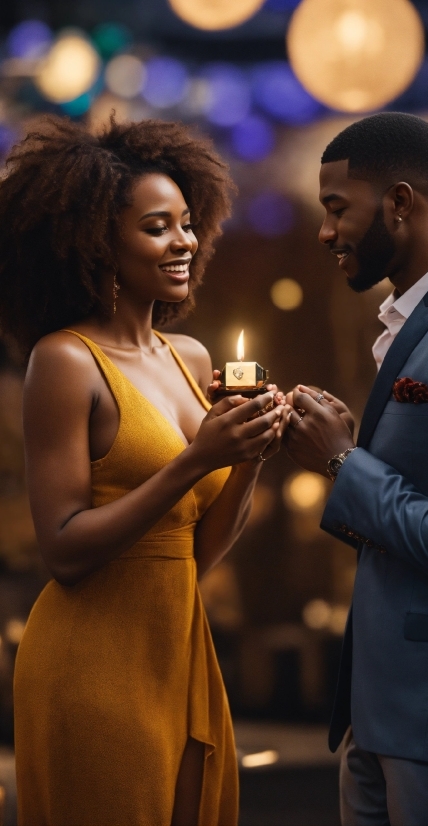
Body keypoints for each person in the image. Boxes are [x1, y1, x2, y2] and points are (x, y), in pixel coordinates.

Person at [0, 115, 289, 826]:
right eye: (157, 227)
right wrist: (197, 458)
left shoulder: (187, 358)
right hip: (91, 664)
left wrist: (246, 453)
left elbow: (196, 554)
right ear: (98, 242)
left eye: (187, 224)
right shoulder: (64, 361)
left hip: (181, 650)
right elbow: (63, 549)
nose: (184, 242)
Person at [285, 112, 428, 826]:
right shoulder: (409, 323)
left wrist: (344, 463)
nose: (324, 232)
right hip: (373, 719)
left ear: (399, 202)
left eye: (336, 208)